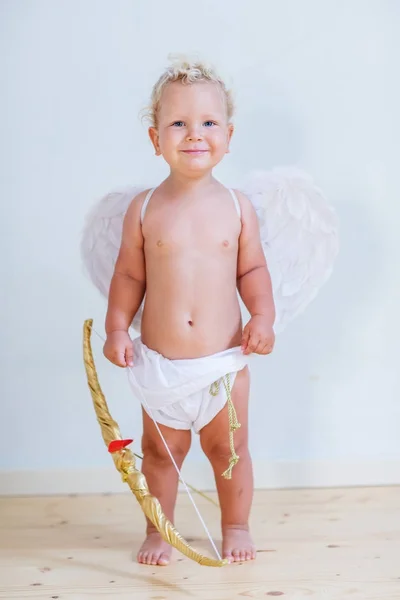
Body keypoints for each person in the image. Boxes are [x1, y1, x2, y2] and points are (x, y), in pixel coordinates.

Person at [102, 57, 276, 566]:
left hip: (222, 364)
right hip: (161, 365)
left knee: (229, 453)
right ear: (156, 138)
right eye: (178, 123)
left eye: (208, 122)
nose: (194, 133)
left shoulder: (238, 206)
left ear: (228, 134)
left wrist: (262, 318)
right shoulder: (145, 207)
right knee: (160, 455)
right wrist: (117, 327)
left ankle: (236, 524)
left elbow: (253, 272)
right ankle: (161, 532)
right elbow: (130, 276)